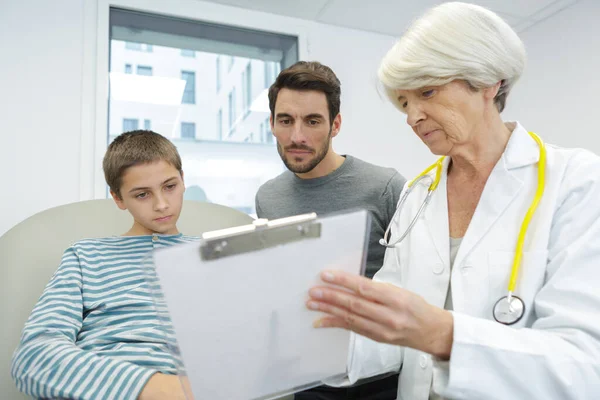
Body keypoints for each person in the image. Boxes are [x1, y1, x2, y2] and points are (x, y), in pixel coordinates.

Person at [305, 2, 600, 399]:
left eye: (427, 92)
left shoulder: (576, 182)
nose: (413, 117)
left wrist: (445, 336)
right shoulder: (418, 195)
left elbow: (584, 365)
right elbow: (391, 328)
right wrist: (312, 345)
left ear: (489, 81)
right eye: (405, 103)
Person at [255, 61, 406, 399]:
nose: (297, 137)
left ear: (335, 124)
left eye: (312, 121)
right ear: (272, 124)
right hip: (309, 375)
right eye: (286, 120)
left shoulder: (386, 187)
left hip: (378, 376)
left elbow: (419, 281)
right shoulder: (268, 197)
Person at [11, 130, 194, 400]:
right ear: (118, 198)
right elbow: (34, 357)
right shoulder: (85, 256)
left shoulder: (217, 255)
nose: (162, 204)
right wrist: (162, 389)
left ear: (183, 180)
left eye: (170, 186)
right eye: (142, 195)